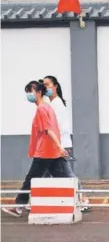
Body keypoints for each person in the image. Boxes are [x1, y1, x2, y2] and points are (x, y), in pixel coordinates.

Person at [2, 81, 72, 217]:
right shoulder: (48, 107)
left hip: (45, 151)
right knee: (63, 177)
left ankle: (19, 206)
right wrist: (59, 148)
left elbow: (48, 130)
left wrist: (59, 146)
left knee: (30, 179)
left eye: (31, 91)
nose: (29, 94)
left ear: (39, 93)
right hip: (52, 151)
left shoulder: (41, 109)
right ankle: (78, 200)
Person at [41, 76, 91, 212]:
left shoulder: (57, 104)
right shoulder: (50, 103)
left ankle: (83, 199)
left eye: (47, 84)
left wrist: (57, 145)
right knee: (43, 174)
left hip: (60, 145)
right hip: (53, 145)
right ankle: (30, 201)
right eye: (43, 85)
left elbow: (60, 128)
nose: (45, 87)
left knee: (66, 175)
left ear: (55, 86)